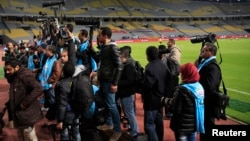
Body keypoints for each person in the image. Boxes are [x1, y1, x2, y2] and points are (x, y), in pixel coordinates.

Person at [3, 59, 44, 141]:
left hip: (27, 114)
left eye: (9, 69)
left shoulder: (25, 76)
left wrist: (24, 103)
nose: (7, 72)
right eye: (6, 70)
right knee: (21, 136)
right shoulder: (15, 76)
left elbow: (38, 88)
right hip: (20, 114)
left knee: (29, 136)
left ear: (17, 67)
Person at [163, 63, 205, 141]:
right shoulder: (199, 87)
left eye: (182, 73)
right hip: (195, 123)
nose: (181, 75)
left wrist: (167, 101)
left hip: (182, 125)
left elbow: (175, 109)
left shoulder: (181, 89)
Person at [96, 27, 123, 141]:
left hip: (109, 81)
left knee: (111, 105)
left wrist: (115, 83)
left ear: (105, 36)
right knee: (108, 104)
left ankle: (117, 131)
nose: (98, 37)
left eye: (100, 35)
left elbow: (119, 66)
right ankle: (109, 123)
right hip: (104, 80)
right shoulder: (105, 47)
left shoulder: (112, 48)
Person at [195, 42, 222, 141]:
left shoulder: (213, 67)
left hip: (208, 103)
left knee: (208, 126)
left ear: (211, 52)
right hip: (203, 102)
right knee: (203, 127)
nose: (202, 51)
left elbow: (209, 86)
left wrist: (196, 88)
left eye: (204, 50)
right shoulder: (205, 63)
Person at [143, 46, 168, 141]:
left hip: (151, 100)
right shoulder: (163, 64)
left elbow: (148, 85)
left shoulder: (150, 67)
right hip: (161, 98)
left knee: (149, 125)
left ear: (148, 55)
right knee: (159, 123)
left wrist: (141, 81)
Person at [116, 47, 139, 138]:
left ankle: (135, 131)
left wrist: (118, 82)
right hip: (125, 93)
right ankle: (133, 129)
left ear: (122, 55)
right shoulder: (126, 64)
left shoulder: (129, 66)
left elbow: (130, 80)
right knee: (129, 112)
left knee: (129, 113)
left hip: (127, 93)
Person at [55, 62, 81, 141]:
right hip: (77, 111)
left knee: (64, 133)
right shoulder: (77, 82)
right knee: (76, 131)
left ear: (63, 71)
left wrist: (60, 120)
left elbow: (62, 104)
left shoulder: (61, 85)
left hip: (67, 113)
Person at [39, 45, 62, 122]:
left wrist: (50, 81)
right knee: (49, 99)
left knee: (53, 101)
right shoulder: (48, 58)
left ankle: (55, 116)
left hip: (50, 85)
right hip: (46, 84)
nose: (45, 51)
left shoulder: (55, 60)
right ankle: (51, 112)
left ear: (51, 51)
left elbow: (57, 73)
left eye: (47, 50)